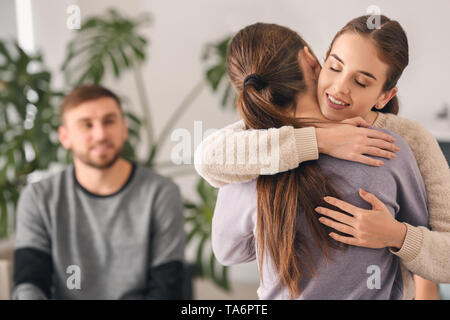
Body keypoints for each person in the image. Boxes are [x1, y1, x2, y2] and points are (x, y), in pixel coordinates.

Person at [197, 16, 450, 298]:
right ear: (317, 61)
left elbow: (447, 257)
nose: (340, 88)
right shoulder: (264, 139)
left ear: (384, 96)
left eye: (361, 81)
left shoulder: (404, 144)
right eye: (336, 67)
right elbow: (208, 158)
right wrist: (320, 140)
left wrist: (397, 236)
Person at [13, 85, 185, 299]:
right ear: (65, 137)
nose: (101, 134)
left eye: (109, 121)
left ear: (124, 128)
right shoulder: (38, 198)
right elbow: (30, 281)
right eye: (87, 125)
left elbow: (167, 287)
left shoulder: (161, 193)